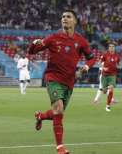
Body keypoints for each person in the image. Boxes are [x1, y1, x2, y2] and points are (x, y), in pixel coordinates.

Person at [28, 10, 96, 154]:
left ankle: (40, 116)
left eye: (68, 17)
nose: (65, 18)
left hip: (69, 81)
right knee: (58, 109)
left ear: (75, 21)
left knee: (57, 113)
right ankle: (60, 148)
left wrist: (86, 67)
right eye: (63, 16)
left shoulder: (81, 41)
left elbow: (92, 58)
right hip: (53, 78)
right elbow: (33, 51)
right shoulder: (53, 38)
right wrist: (34, 44)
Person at [100, 43, 120, 112]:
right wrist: (103, 68)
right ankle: (104, 89)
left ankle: (108, 106)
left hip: (112, 75)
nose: (111, 48)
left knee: (111, 89)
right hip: (104, 75)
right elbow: (100, 62)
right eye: (110, 47)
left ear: (114, 48)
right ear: (108, 48)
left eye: (113, 47)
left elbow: (118, 64)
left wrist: (118, 66)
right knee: (105, 92)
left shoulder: (117, 56)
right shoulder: (105, 55)